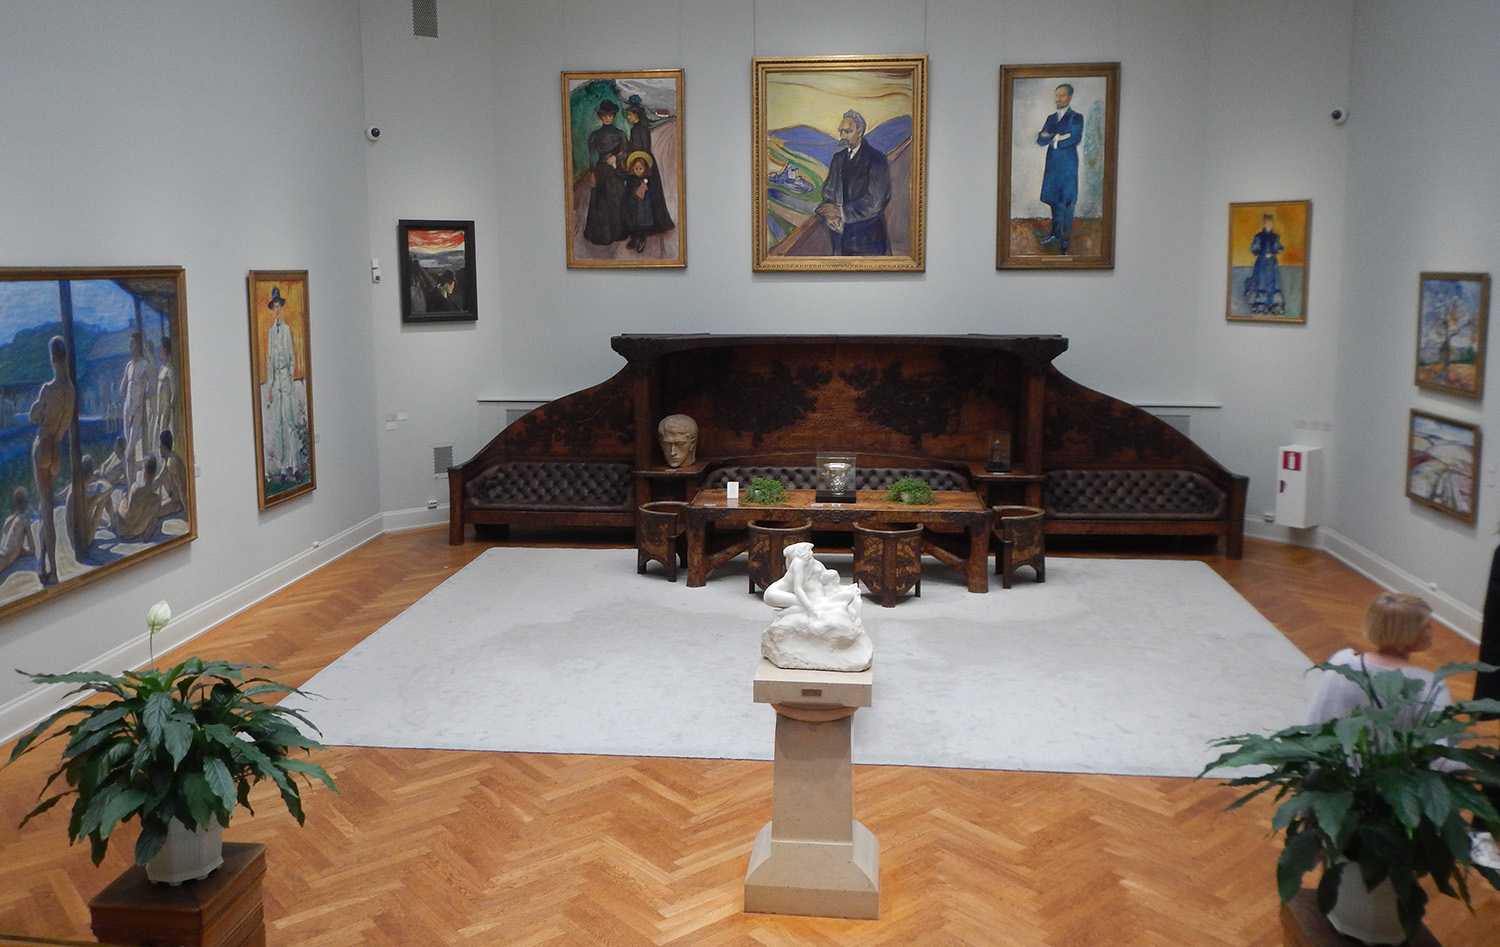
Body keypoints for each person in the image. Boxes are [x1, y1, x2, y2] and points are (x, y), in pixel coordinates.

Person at [1305, 592, 1451, 729]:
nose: (1433, 629)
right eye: (1427, 626)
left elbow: (1317, 716)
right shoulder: (1430, 687)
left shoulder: (1341, 661)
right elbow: (1441, 743)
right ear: (1408, 633)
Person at [30, 336, 75, 586]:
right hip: (56, 449)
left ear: (52, 358)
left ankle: (53, 569)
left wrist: (40, 413)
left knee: (47, 510)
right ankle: (41, 563)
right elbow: (64, 424)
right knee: (45, 505)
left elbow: (32, 416)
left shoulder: (49, 388)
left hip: (43, 446)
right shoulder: (70, 391)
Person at [816, 109, 891, 255]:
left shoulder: (877, 159)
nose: (843, 136)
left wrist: (840, 211)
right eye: (841, 131)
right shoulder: (838, 158)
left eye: (848, 131)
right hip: (839, 236)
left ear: (860, 132)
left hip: (868, 238)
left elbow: (875, 201)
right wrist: (830, 215)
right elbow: (828, 191)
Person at [1036, 83, 1083, 254]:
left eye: (1062, 95)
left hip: (1067, 167)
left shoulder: (1076, 118)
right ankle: (1055, 234)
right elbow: (1040, 139)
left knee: (1067, 203)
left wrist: (1052, 138)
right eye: (1056, 95)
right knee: (1054, 201)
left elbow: (1074, 138)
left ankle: (1065, 240)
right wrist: (1058, 137)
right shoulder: (1051, 118)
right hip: (1052, 166)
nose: (1058, 99)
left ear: (1069, 97)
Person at [623, 97, 674, 243]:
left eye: (630, 115)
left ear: (637, 115)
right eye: (628, 115)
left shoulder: (641, 130)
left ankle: (645, 228)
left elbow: (643, 150)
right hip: (636, 164)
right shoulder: (636, 129)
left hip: (642, 165)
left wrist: (643, 176)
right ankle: (636, 228)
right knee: (635, 199)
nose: (629, 117)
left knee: (643, 198)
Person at [582, 99, 628, 246]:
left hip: (615, 170)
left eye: (610, 115)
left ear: (614, 116)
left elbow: (627, 152)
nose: (607, 118)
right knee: (601, 202)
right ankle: (601, 235)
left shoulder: (620, 134)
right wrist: (592, 173)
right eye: (604, 116)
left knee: (616, 199)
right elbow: (591, 155)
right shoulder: (595, 135)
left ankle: (618, 233)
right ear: (600, 117)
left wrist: (617, 157)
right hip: (601, 170)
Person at [264, 287, 299, 480]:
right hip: (275, 379)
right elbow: (269, 359)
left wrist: (290, 377)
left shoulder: (286, 330)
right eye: (274, 306)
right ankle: (284, 467)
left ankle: (295, 465)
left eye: (278, 305)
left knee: (289, 423)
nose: (276, 309)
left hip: (285, 376)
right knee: (278, 426)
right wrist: (270, 386)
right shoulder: (271, 332)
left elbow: (292, 356)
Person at [118, 330, 155, 484]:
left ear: (138, 345)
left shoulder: (145, 365)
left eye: (132, 343)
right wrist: (127, 390)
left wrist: (142, 397)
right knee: (129, 451)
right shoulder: (129, 365)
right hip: (127, 410)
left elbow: (153, 388)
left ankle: (133, 483)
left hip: (137, 410)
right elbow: (122, 389)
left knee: (130, 450)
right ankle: (130, 485)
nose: (130, 346)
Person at [109, 454, 163, 542]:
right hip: (137, 532)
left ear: (144, 474)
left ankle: (112, 524)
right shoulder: (157, 499)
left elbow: (128, 513)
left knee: (123, 499)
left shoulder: (135, 488)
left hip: (122, 530)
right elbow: (147, 535)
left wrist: (124, 500)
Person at [1243, 213, 1285, 314]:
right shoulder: (1259, 236)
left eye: (1270, 223)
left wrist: (1277, 250)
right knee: (1261, 282)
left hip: (1272, 263)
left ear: (1272, 224)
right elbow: (1254, 249)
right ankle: (1260, 304)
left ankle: (1274, 305)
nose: (1268, 225)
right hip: (1261, 263)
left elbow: (1278, 247)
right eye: (1266, 223)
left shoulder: (1275, 236)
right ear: (1264, 224)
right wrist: (1262, 252)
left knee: (1273, 282)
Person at [0, 487, 36, 573]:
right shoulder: (24, 519)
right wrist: (21, 551)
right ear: (25, 502)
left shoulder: (8, 519)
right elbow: (32, 550)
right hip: (5, 558)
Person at [152, 336, 178, 452]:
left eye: (161, 348)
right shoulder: (162, 367)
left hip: (166, 408)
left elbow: (174, 390)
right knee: (156, 434)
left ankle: (164, 458)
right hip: (160, 408)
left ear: (166, 350)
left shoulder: (170, 370)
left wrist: (169, 406)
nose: (159, 350)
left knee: (163, 433)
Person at [156, 429, 189, 518]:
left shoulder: (171, 462)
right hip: (173, 498)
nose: (159, 449)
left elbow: (181, 488)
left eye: (160, 446)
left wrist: (188, 513)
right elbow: (159, 478)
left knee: (153, 512)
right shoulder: (168, 458)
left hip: (177, 502)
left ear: (164, 447)